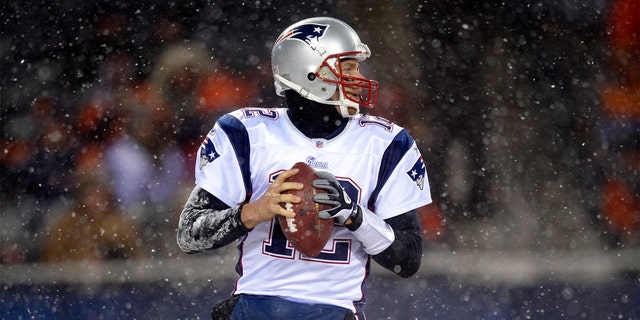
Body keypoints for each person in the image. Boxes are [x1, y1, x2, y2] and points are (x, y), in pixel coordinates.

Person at [177, 17, 432, 320]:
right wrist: (254, 212)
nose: (359, 76)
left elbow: (408, 258)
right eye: (348, 67)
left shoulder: (387, 142)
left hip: (336, 310)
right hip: (258, 307)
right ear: (311, 73)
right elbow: (190, 235)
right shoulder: (246, 132)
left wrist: (354, 216)